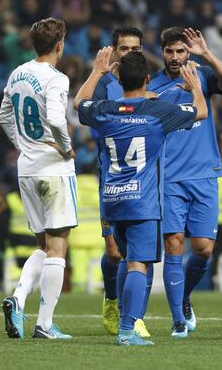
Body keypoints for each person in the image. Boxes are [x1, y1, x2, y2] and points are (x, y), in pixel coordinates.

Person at [74, 48, 208, 345]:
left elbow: (79, 102)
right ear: (148, 79)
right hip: (142, 202)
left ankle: (124, 320)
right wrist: (196, 87)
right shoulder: (157, 112)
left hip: (111, 199)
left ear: (119, 78)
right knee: (137, 264)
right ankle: (126, 330)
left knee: (123, 259)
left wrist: (97, 71)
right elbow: (201, 111)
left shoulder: (105, 109)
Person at [148, 26, 222, 337]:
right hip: (170, 177)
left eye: (181, 51)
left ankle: (184, 297)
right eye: (170, 51)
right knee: (174, 245)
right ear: (161, 52)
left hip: (203, 174)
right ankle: (177, 321)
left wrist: (208, 54)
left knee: (202, 250)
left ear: (188, 52)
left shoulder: (201, 76)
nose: (175, 57)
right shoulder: (152, 86)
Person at [0, 17, 76, 340]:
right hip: (54, 169)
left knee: (43, 245)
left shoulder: (17, 73)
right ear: (60, 44)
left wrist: (22, 144)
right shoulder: (57, 78)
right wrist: (67, 148)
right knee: (58, 248)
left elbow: (3, 116)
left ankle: (18, 298)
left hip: (26, 168)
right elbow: (58, 118)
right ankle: (44, 324)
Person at [91, 26, 152, 338]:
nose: (130, 53)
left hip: (143, 181)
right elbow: (94, 126)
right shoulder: (104, 85)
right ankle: (111, 298)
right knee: (115, 254)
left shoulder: (143, 84)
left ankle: (136, 316)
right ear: (114, 51)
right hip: (112, 180)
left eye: (135, 48)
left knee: (140, 252)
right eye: (125, 48)